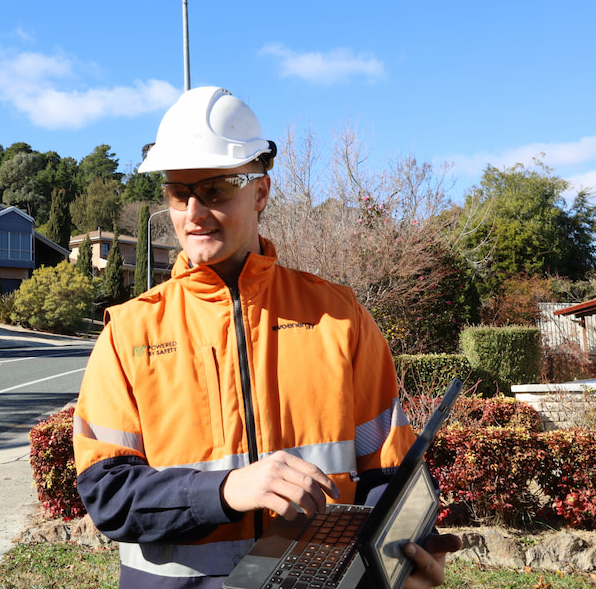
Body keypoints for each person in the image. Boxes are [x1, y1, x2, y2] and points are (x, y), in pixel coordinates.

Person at [73, 86, 461, 589]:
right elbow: (108, 494)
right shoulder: (129, 332)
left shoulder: (339, 317)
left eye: (216, 189)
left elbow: (385, 477)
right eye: (178, 192)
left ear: (261, 191)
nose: (194, 212)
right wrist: (230, 489)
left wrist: (404, 560)